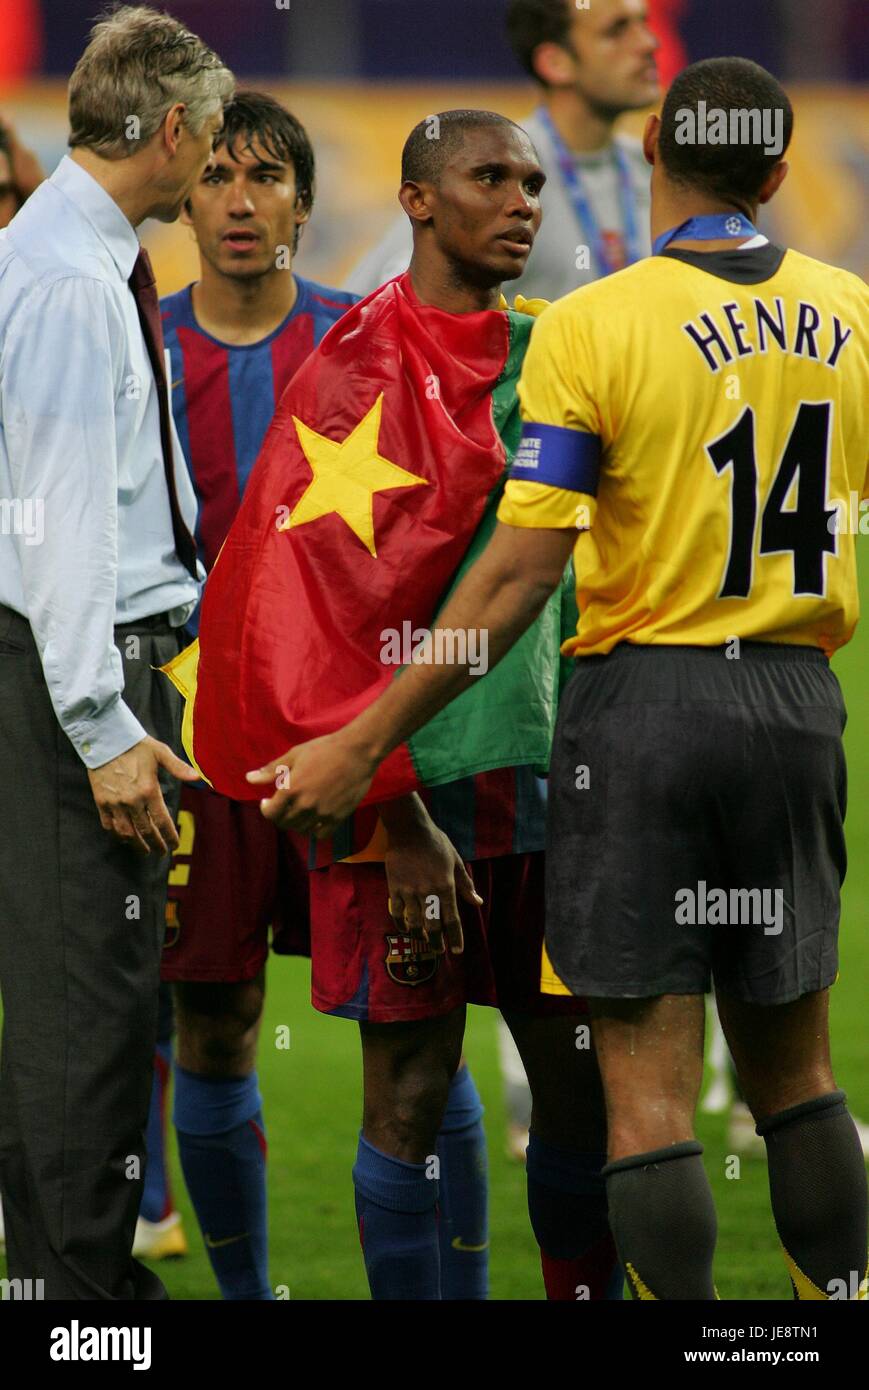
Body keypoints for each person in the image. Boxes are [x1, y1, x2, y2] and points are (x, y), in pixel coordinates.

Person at [261, 59, 869, 1302]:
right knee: (798, 1078)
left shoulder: (594, 322)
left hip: (640, 708)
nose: (525, 199)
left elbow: (518, 577)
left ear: (651, 146)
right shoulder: (853, 308)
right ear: (776, 168)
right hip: (799, 706)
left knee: (637, 1097)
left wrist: (364, 737)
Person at [228, 108, 621, 1303]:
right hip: (400, 795)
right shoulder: (350, 367)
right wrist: (396, 820)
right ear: (414, 200)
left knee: (579, 1084)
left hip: (545, 781)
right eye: (487, 179)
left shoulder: (555, 350)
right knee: (403, 1091)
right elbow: (301, 619)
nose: (520, 202)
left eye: (531, 183)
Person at [0, 5, 233, 1300]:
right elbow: (61, 527)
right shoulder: (73, 282)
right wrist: (104, 726)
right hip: (72, 678)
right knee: (89, 1028)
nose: (213, 170)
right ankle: (84, 1317)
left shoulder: (61, 257)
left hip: (60, 667)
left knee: (65, 1017)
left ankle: (55, 1294)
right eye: (211, 140)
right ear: (179, 127)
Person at [345, 0, 659, 301]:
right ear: (555, 62)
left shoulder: (656, 171)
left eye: (642, 22)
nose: (648, 43)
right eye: (616, 30)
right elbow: (373, 296)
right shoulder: (490, 170)